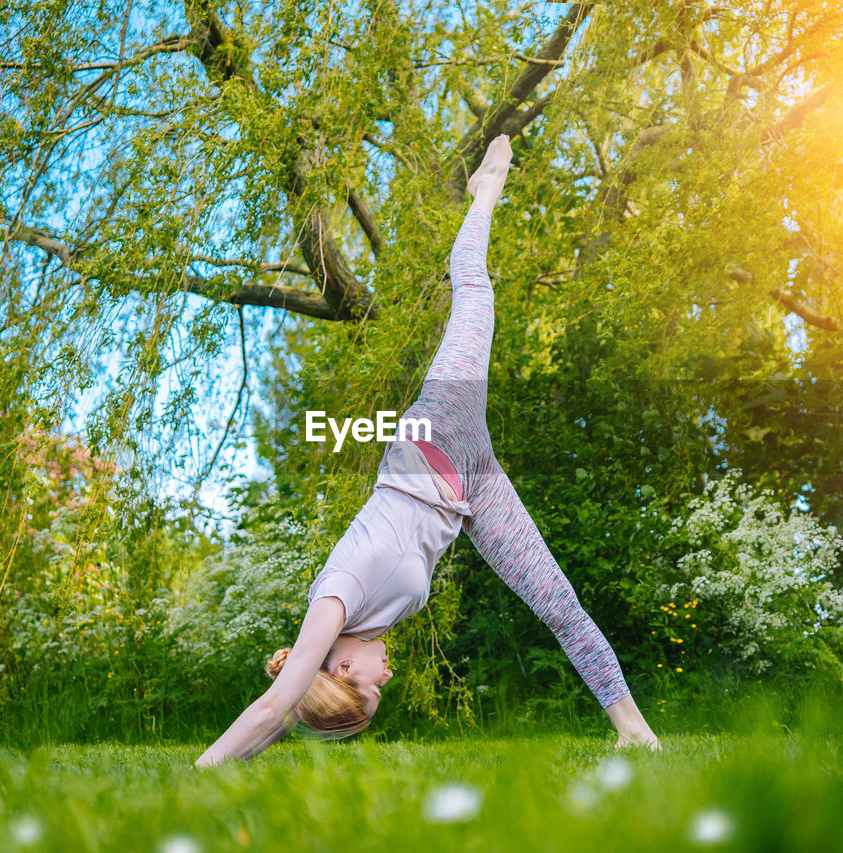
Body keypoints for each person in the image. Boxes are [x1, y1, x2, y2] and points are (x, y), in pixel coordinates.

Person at [195, 135, 660, 766]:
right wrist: (305, 723)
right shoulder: (369, 627)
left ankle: (485, 191)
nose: (385, 680)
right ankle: (633, 729)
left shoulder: (336, 597)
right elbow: (291, 716)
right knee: (557, 600)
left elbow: (277, 706)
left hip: (436, 438)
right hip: (470, 487)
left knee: (475, 291)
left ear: (339, 663)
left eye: (367, 686)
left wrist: (207, 767)